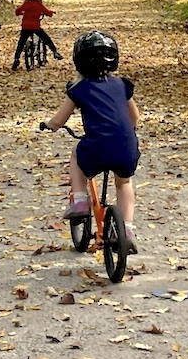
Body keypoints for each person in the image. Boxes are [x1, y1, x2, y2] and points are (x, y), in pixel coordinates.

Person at [42, 30, 140, 250]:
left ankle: (79, 201)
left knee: (77, 154)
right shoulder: (123, 85)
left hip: (96, 147)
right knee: (124, 182)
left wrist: (48, 125)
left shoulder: (78, 88)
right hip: (126, 146)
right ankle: (127, 229)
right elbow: (135, 117)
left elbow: (59, 120)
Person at [12, 0, 63, 70]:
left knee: (21, 43)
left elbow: (17, 11)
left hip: (25, 27)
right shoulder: (39, 5)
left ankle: (16, 59)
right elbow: (47, 12)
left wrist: (22, 12)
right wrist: (51, 13)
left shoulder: (26, 4)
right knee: (46, 39)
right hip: (35, 27)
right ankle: (55, 52)